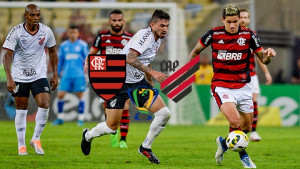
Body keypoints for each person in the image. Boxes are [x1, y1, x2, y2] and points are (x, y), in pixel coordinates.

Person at [188, 4, 276, 168]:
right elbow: (195, 51)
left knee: (247, 127)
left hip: (243, 86)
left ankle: (223, 143)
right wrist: (189, 71)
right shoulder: (214, 34)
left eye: (235, 21)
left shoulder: (248, 35)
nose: (233, 25)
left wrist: (268, 56)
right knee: (235, 122)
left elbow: (263, 59)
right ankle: (244, 157)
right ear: (223, 20)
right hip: (222, 86)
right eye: (229, 22)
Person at [81, 9, 171, 164]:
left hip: (137, 83)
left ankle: (145, 147)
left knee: (164, 114)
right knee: (111, 128)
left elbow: (146, 59)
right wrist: (153, 73)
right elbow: (130, 58)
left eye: (167, 26)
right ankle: (88, 135)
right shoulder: (145, 36)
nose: (165, 29)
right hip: (117, 81)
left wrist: (149, 80)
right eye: (162, 25)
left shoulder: (158, 39)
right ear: (152, 25)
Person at [2, 4, 58, 155]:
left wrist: (55, 74)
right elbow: (7, 55)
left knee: (45, 104)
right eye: (32, 15)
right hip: (20, 76)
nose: (35, 18)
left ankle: (36, 139)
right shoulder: (17, 32)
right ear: (26, 16)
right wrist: (9, 78)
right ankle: (21, 146)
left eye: (38, 15)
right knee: (21, 110)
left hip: (39, 74)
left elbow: (52, 51)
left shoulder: (46, 31)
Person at [83, 9, 133, 148]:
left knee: (125, 105)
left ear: (123, 21)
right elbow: (92, 53)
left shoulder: (129, 38)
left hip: (124, 76)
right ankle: (113, 133)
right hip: (106, 77)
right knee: (108, 110)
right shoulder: (102, 36)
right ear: (109, 21)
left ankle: (123, 139)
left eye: (119, 20)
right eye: (114, 20)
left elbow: (135, 56)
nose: (116, 23)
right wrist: (87, 63)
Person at [239, 8, 272, 141]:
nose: (243, 19)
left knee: (253, 102)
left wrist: (267, 73)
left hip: (251, 75)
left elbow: (260, 56)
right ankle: (238, 131)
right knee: (239, 105)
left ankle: (253, 132)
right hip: (236, 76)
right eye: (241, 17)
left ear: (249, 19)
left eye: (245, 17)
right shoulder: (230, 34)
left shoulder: (252, 35)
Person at [52, 25, 88, 126]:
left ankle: (80, 119)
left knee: (80, 95)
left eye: (75, 32)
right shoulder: (64, 46)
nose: (73, 34)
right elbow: (61, 62)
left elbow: (87, 60)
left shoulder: (82, 45)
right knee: (60, 95)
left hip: (79, 75)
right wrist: (57, 74)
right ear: (68, 33)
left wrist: (87, 73)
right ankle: (60, 118)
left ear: (78, 33)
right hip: (66, 75)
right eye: (71, 32)